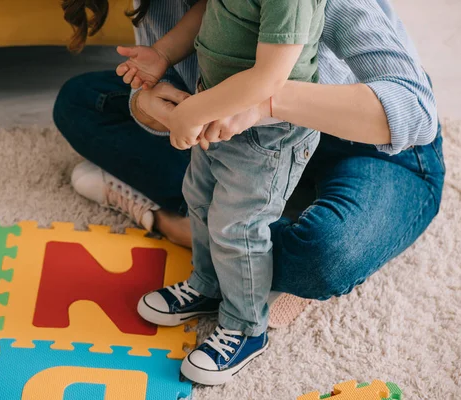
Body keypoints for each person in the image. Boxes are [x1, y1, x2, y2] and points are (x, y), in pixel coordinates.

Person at [53, 0, 445, 382]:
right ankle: (225, 253)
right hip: (238, 140)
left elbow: (415, 111)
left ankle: (189, 235)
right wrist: (149, 101)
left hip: (368, 144)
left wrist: (267, 101)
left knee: (321, 255)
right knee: (81, 103)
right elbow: (184, 76)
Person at [110, 0, 326, 384]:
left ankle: (246, 328)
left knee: (237, 228)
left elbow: (270, 78)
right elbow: (208, 11)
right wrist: (161, 53)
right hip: (217, 113)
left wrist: (190, 114)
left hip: (268, 134)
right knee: (199, 200)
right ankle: (208, 285)